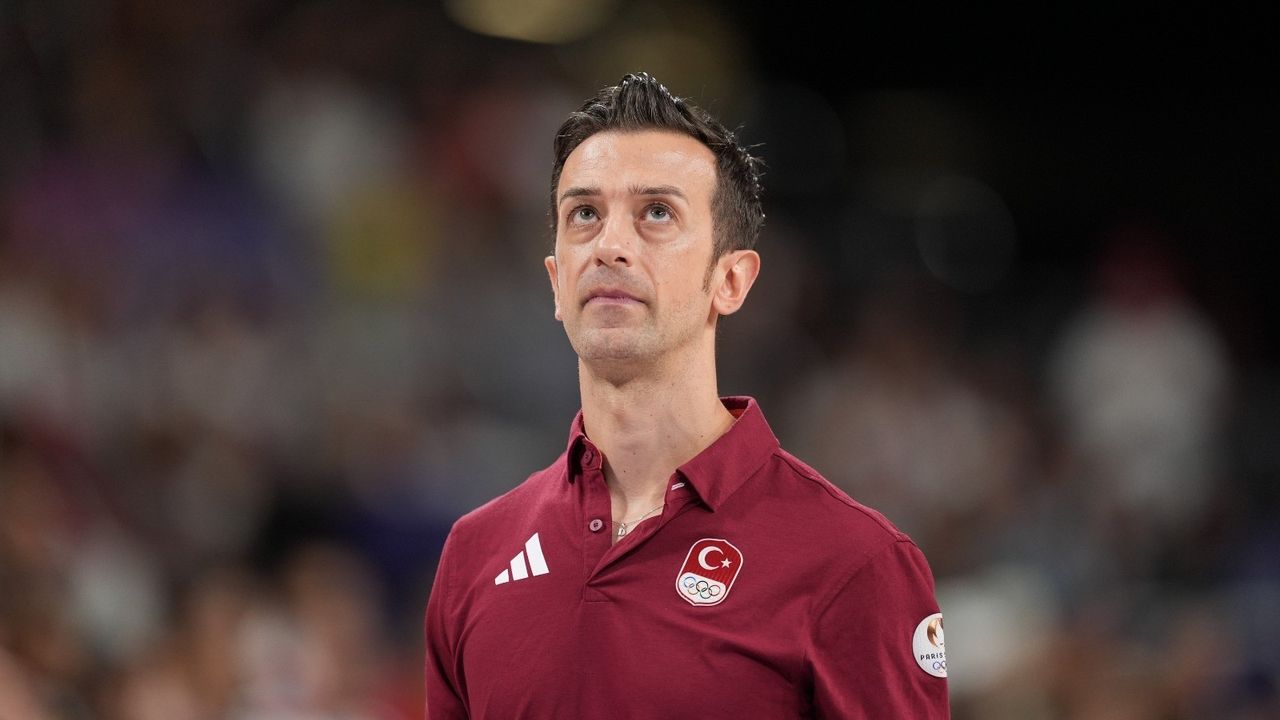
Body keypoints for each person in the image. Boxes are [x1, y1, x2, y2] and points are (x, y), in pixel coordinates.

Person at [423, 72, 950, 719]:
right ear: (556, 283)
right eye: (585, 214)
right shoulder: (474, 554)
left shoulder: (855, 564)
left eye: (657, 213)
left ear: (731, 280)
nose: (610, 246)